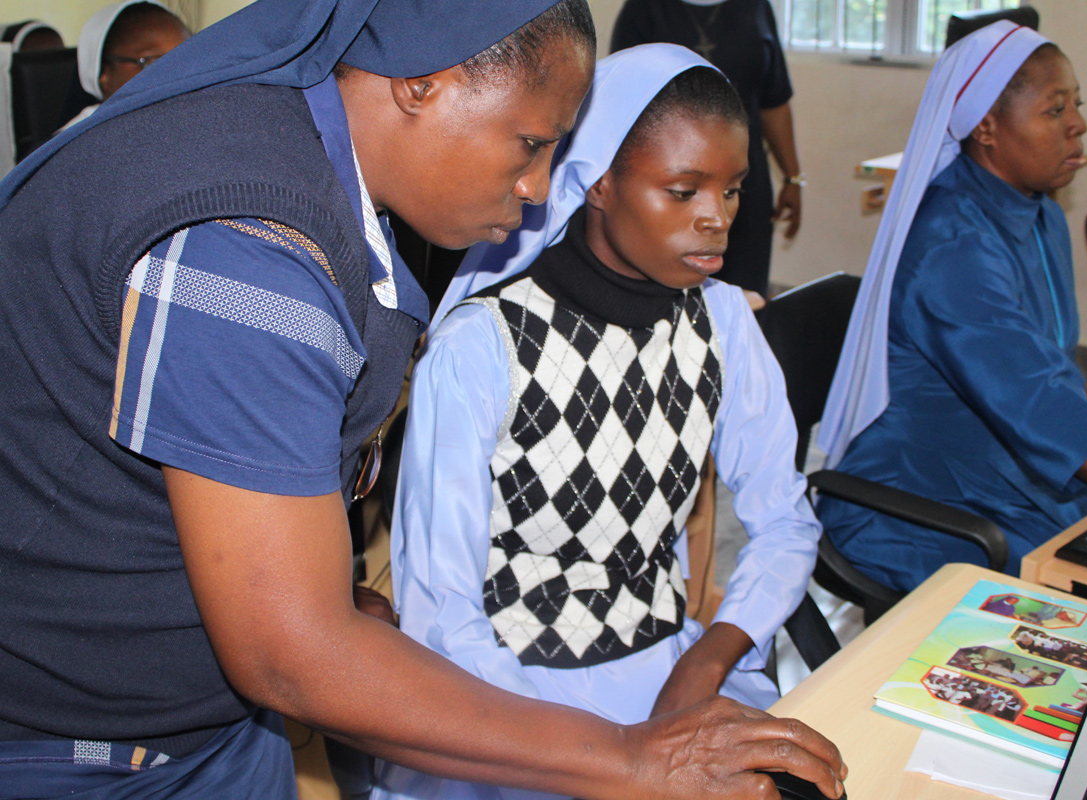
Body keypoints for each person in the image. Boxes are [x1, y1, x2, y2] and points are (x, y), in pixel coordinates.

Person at [0, 1, 846, 798]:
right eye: (528, 143)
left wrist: (315, 586)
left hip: (210, 719)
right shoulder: (246, 245)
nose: (540, 188)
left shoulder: (308, 169)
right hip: (92, 751)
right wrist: (627, 758)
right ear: (420, 84)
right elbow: (291, 656)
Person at [374, 43, 830, 800]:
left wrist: (707, 659)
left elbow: (785, 521)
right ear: (600, 183)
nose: (717, 219)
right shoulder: (485, 345)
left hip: (665, 668)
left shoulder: (721, 321)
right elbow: (442, 619)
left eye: (734, 190)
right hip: (506, 703)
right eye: (683, 191)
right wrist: (609, 757)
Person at [816, 20, 1087, 594]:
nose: (1079, 124)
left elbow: (1049, 374)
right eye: (1054, 109)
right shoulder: (952, 248)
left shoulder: (1038, 212)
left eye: (1078, 104)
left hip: (1001, 472)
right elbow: (1043, 405)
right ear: (988, 128)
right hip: (920, 505)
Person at [610, 0, 803, 298]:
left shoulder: (757, 7)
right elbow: (622, 101)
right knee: (669, 297)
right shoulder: (644, 8)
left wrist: (793, 177)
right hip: (672, 187)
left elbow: (774, 101)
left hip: (743, 183)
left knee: (745, 296)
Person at [59, 1, 191, 130]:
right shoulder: (73, 146)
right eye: (153, 62)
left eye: (184, 58)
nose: (176, 73)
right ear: (104, 74)